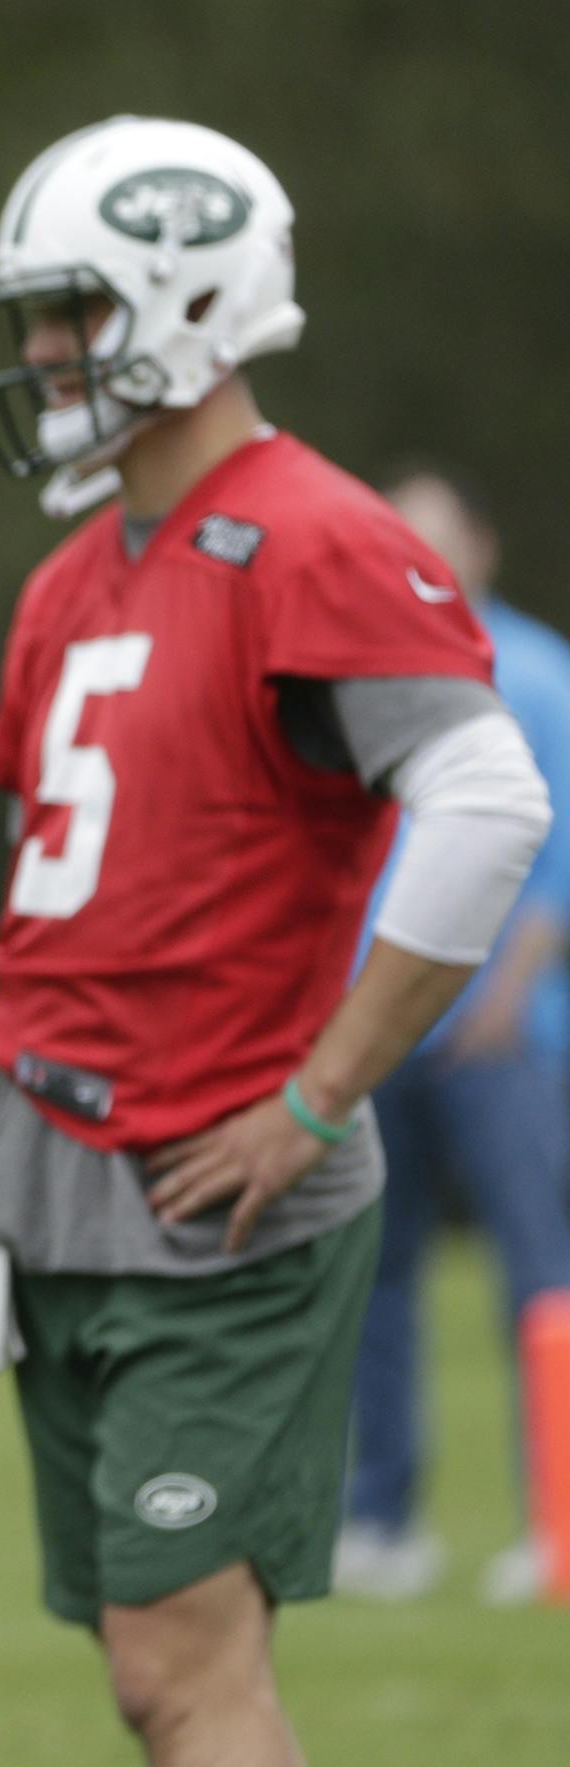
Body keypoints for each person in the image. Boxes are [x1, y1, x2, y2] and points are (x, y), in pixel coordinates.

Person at [0, 117, 550, 1765]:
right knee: (153, 1664)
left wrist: (323, 1091)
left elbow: (490, 801)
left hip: (221, 1171)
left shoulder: (319, 533)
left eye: (72, 314)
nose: (42, 355)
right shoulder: (76, 571)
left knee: (178, 1666)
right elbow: (72, 878)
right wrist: (1, 1081)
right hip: (70, 1153)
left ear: (190, 310)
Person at [336, 464, 570, 1604]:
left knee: (540, 1276)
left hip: (507, 1037)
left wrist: (502, 988)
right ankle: (381, 1519)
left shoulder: (535, 669)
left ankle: (557, 1526)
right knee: (377, 1276)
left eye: (435, 540)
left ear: (479, 544)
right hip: (382, 1034)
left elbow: (553, 845)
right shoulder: (362, 675)